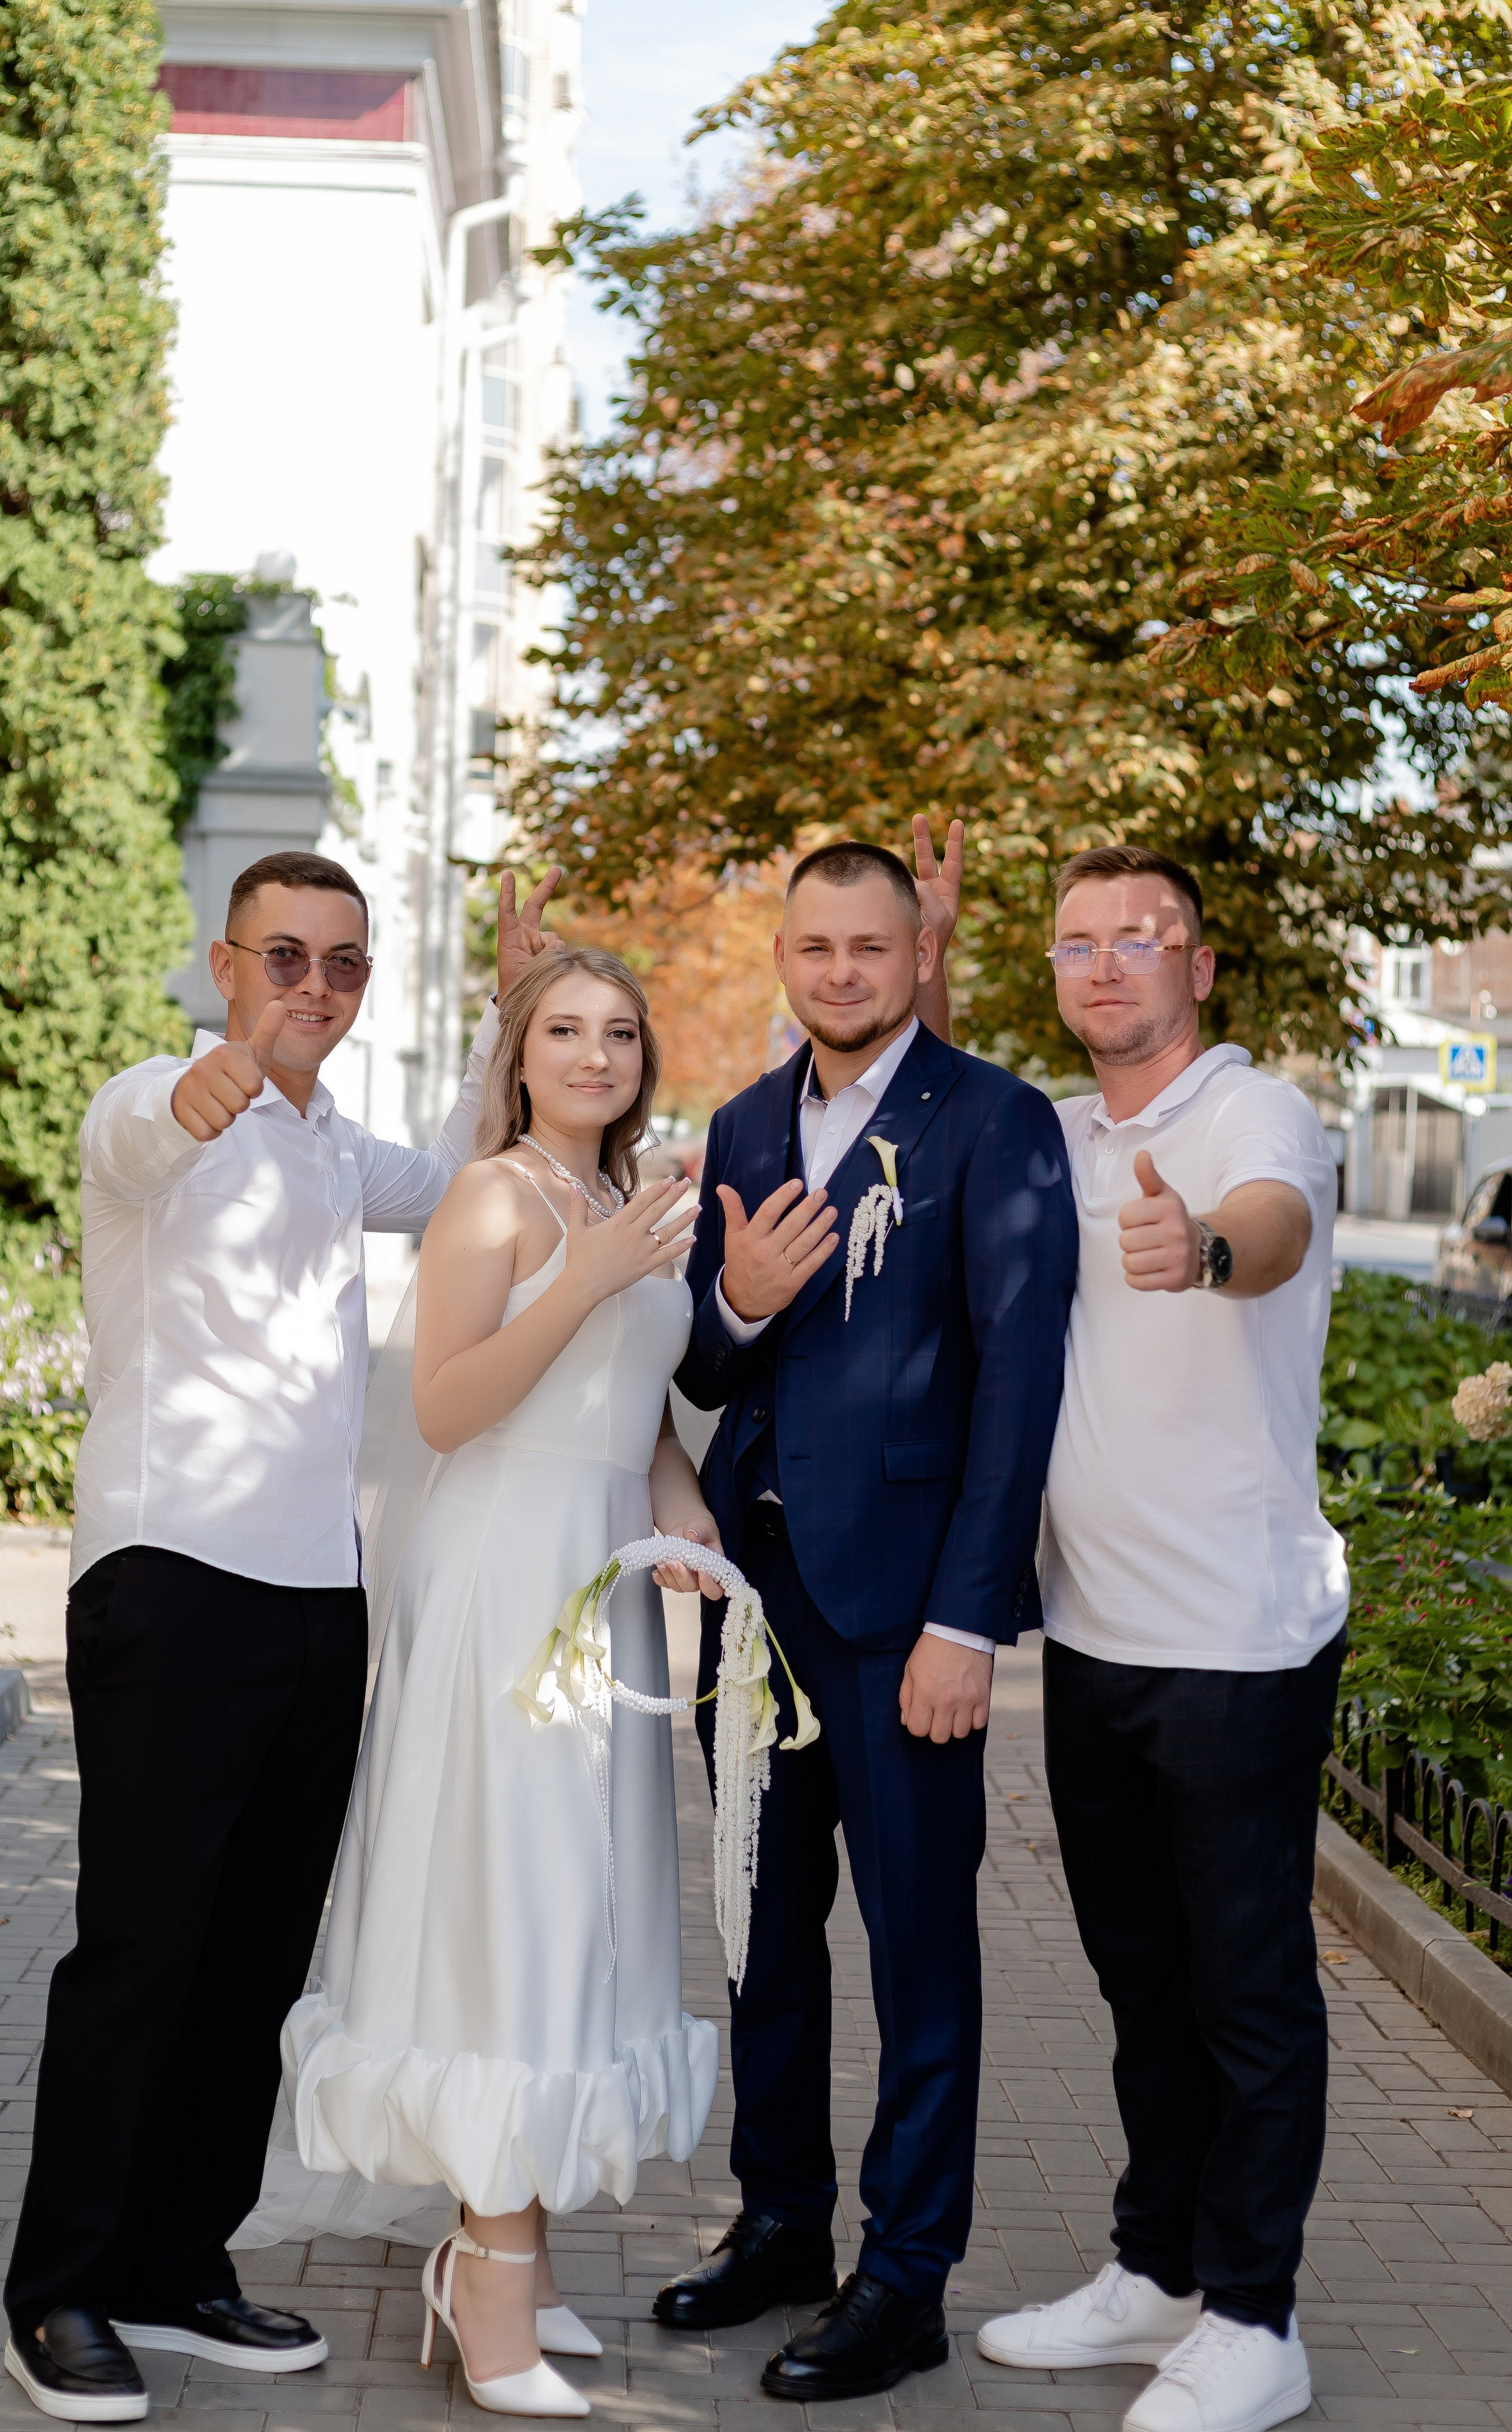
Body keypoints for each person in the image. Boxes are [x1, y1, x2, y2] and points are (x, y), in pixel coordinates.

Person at [1, 850, 562, 2426]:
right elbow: (141, 1130)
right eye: (282, 959)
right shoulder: (158, 1107)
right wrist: (209, 1081)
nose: (311, 988)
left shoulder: (328, 1148)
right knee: (141, 1950)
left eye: (341, 966)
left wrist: (509, 1008)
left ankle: (177, 2268)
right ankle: (57, 2296)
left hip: (322, 1602)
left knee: (251, 1959)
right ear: (223, 962)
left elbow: (464, 1168)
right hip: (172, 1580)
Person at [253, 945, 721, 2420]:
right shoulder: (494, 1198)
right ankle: (489, 2280)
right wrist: (583, 1276)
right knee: (509, 1895)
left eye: (620, 1034)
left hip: (605, 1572)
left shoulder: (626, 1205)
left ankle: (510, 2241)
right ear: (518, 1055)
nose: (595, 1055)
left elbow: (627, 1394)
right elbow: (448, 1404)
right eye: (565, 1031)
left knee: (581, 1900)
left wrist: (679, 1496)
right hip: (504, 1580)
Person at [656, 834, 1078, 2405]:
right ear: (786, 957)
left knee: (916, 1952)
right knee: (762, 1935)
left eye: (869, 948)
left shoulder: (991, 1121)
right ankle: (777, 2224)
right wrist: (744, 1297)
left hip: (904, 1622)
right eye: (813, 947)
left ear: (916, 956)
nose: (840, 972)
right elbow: (703, 1366)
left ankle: (902, 2278)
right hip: (757, 1613)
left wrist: (966, 1623)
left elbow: (1017, 1389)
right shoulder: (742, 1124)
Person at [973, 845, 1345, 2432]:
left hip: (1237, 1639)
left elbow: (1266, 1223)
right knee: (1138, 1983)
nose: (1106, 965)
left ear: (1198, 966)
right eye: (1076, 943)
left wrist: (1197, 1247)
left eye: (1141, 939)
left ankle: (1257, 2321)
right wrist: (918, 970)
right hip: (1094, 1633)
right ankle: (1157, 2272)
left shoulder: (1249, 1116)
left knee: (1244, 1992)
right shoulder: (1053, 1135)